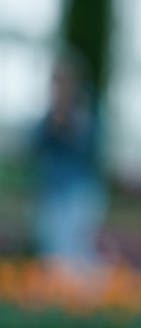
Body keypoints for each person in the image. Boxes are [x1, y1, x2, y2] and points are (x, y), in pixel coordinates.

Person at [30, 57, 104, 268]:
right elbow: (35, 145)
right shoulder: (50, 114)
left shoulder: (85, 113)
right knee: (51, 248)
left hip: (77, 191)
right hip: (51, 190)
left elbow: (90, 149)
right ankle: (58, 294)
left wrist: (67, 125)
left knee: (74, 250)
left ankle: (80, 294)